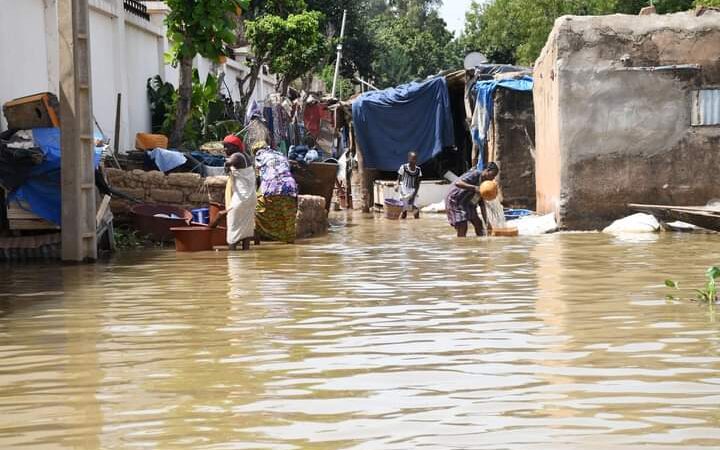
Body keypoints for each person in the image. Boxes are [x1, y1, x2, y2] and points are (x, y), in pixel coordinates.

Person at [215, 135, 255, 250]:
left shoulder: (236, 156)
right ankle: (246, 256)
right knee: (246, 231)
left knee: (233, 232)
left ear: (235, 147)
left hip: (241, 200)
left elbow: (230, 162)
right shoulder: (246, 156)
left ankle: (233, 258)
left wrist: (226, 164)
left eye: (227, 147)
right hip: (251, 198)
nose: (225, 150)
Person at [254, 141, 299, 243]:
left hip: (271, 188)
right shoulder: (280, 155)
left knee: (259, 212)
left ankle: (264, 237)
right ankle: (291, 244)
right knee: (289, 218)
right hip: (290, 187)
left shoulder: (259, 157)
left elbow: (258, 178)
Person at [445, 162, 500, 237]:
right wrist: (474, 188)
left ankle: (481, 244)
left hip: (468, 203)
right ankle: (461, 245)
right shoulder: (475, 174)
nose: (493, 178)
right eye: (493, 175)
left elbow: (482, 206)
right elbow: (458, 183)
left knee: (479, 224)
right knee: (462, 226)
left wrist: (488, 224)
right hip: (456, 201)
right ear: (487, 170)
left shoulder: (485, 185)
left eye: (494, 176)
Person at [396, 152, 422, 219]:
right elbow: (399, 178)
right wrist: (396, 185)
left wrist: (413, 196)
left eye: (415, 159)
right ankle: (403, 227)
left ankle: (416, 227)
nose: (414, 161)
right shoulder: (403, 167)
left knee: (416, 210)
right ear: (409, 159)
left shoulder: (418, 170)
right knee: (404, 212)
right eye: (412, 159)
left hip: (413, 191)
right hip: (404, 191)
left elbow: (417, 184)